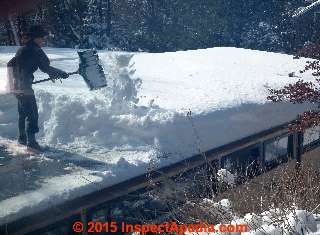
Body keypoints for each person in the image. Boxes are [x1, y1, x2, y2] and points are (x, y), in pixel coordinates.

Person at [7, 25, 68, 150]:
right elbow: (45, 67)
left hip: (16, 87)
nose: (43, 40)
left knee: (23, 114)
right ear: (35, 38)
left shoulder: (22, 49)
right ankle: (32, 143)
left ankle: (22, 138)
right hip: (25, 88)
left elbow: (10, 64)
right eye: (42, 38)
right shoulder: (36, 50)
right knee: (32, 114)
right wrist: (60, 73)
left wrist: (11, 83)